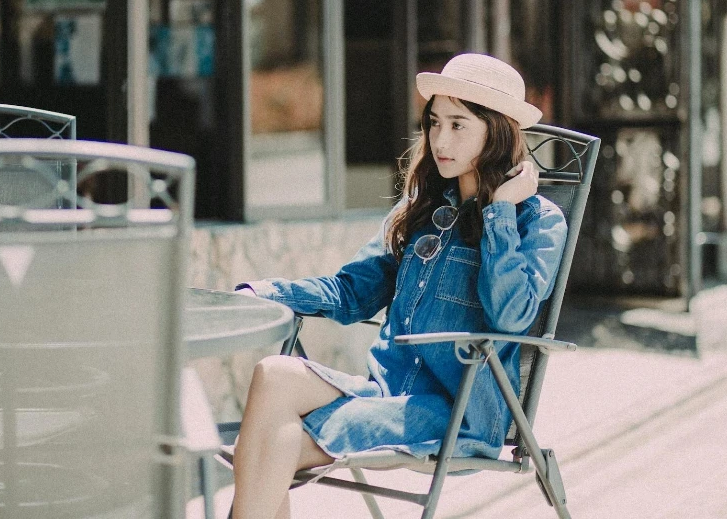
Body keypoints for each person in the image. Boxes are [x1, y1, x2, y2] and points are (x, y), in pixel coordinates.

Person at [231, 53, 568, 519]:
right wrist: (264, 295)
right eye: (434, 122)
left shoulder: (539, 221)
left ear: (496, 131)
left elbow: (511, 316)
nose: (439, 139)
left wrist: (500, 213)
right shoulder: (422, 208)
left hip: (457, 414)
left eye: (457, 125)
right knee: (273, 375)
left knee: (272, 442)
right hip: (386, 391)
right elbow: (351, 294)